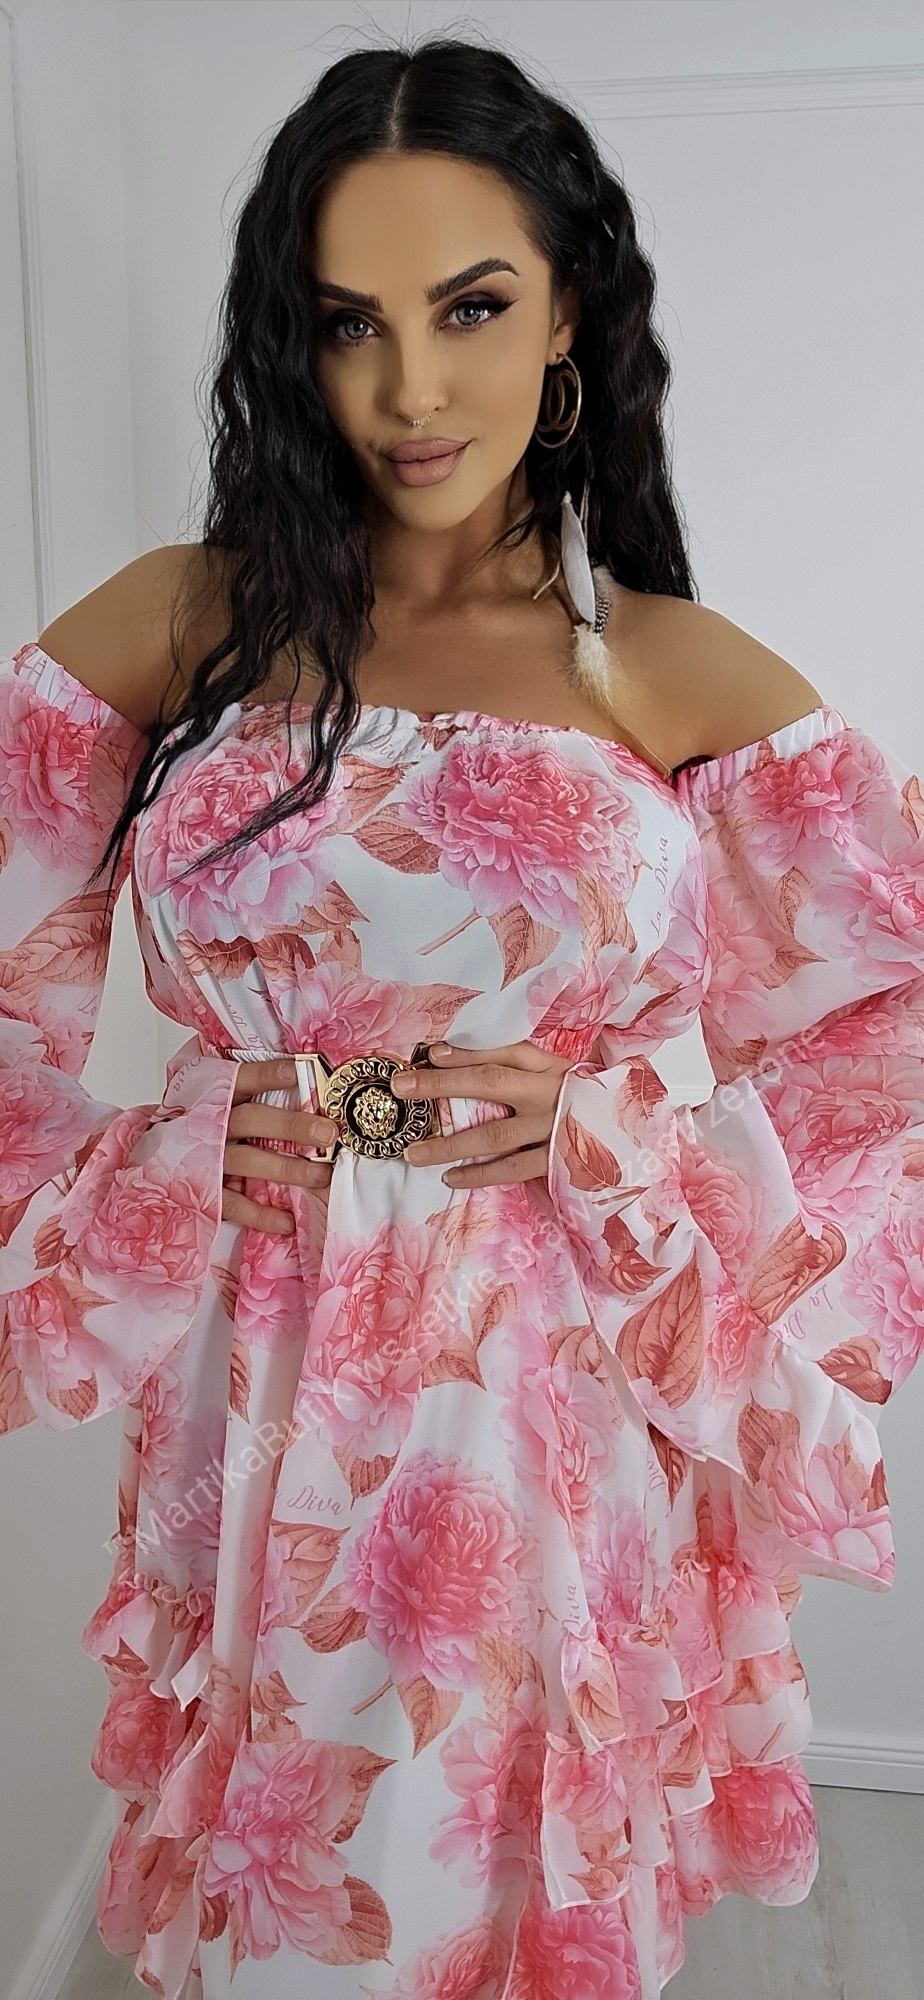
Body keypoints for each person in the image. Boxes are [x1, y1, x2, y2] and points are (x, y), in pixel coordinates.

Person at [2, 34, 922, 2000]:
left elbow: (890, 1036)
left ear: (568, 309)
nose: (413, 388)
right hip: (258, 1369)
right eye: (351, 322)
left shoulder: (661, 668)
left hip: (545, 1379)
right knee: (292, 1883)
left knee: (495, 1868)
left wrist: (622, 1140)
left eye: (472, 306)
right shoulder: (178, 626)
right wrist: (153, 1161)